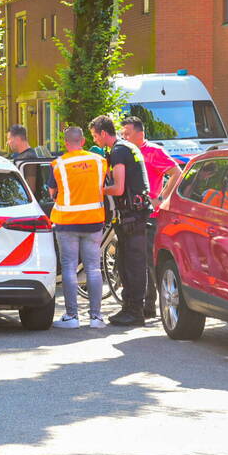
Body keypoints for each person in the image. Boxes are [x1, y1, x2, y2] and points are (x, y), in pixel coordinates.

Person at [89, 115, 152, 327]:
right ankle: (131, 308)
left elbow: (118, 188)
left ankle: (134, 311)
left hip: (131, 216)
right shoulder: (127, 148)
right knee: (128, 263)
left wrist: (97, 190)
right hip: (136, 214)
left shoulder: (118, 151)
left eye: (95, 136)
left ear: (103, 133)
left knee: (131, 265)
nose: (96, 140)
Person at [121, 115, 183, 317]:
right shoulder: (127, 152)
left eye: (128, 134)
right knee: (137, 259)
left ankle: (151, 304)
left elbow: (176, 172)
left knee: (148, 259)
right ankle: (144, 302)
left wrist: (162, 198)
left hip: (151, 213)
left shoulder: (154, 151)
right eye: (123, 134)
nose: (125, 137)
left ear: (141, 134)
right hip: (134, 212)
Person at [46, 127, 108, 329]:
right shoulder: (99, 162)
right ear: (82, 141)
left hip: (67, 223)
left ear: (66, 143)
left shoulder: (58, 165)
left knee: (69, 268)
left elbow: (52, 192)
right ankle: (96, 317)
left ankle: (72, 317)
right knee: (93, 267)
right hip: (93, 221)